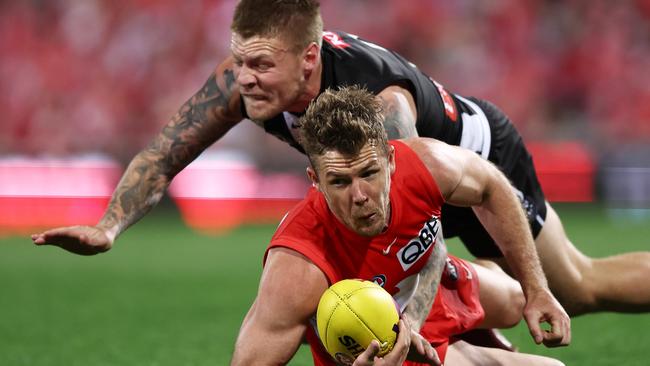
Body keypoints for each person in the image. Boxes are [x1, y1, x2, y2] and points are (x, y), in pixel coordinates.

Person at [31, 0, 650, 317]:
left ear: (308, 62)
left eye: (260, 65)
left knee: (576, 287)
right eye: (239, 60)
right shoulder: (245, 79)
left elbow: (416, 203)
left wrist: (419, 307)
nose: (242, 80)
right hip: (398, 186)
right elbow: (163, 156)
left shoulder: (382, 105)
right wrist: (109, 223)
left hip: (475, 163)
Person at [230, 86, 566, 366]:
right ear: (315, 180)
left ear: (391, 160)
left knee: (514, 301)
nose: (360, 195)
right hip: (380, 342)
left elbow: (492, 185)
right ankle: (466, 351)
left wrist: (537, 288)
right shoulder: (298, 267)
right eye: (340, 181)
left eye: (369, 173)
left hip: (425, 286)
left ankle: (470, 325)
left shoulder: (425, 164)